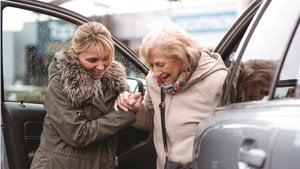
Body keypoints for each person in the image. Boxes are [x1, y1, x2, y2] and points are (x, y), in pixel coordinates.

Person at [114, 18, 227, 169]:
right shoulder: (154, 81)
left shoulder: (217, 81)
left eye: (161, 64)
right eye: (151, 65)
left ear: (183, 55)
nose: (155, 72)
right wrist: (136, 109)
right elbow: (150, 120)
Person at [30, 22, 136, 169]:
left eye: (106, 58)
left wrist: (131, 101)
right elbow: (78, 134)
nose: (101, 66)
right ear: (75, 53)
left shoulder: (115, 83)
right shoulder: (60, 83)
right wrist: (126, 113)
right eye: (92, 60)